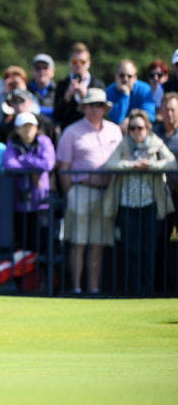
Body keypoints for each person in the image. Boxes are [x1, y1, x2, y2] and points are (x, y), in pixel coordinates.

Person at [57, 88, 123, 295]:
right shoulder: (72, 131)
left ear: (105, 108)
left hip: (107, 193)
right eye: (91, 105)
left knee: (98, 243)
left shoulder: (115, 131)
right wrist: (70, 194)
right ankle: (76, 288)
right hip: (81, 191)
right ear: (84, 107)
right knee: (78, 243)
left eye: (99, 105)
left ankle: (93, 289)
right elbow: (64, 168)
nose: (95, 109)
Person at [104, 109, 176, 295]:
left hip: (151, 204)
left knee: (149, 250)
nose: (136, 131)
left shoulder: (155, 143)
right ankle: (133, 290)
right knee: (131, 251)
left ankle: (148, 290)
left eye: (140, 128)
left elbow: (172, 163)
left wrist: (151, 166)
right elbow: (110, 164)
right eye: (132, 128)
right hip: (128, 205)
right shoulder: (124, 145)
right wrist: (131, 165)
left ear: (147, 128)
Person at [2, 112, 56, 252]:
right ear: (17, 129)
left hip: (41, 202)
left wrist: (24, 160)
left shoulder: (44, 141)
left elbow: (48, 164)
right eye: (23, 126)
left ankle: (41, 273)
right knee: (24, 246)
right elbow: (9, 164)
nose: (27, 130)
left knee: (42, 245)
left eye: (30, 126)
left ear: (37, 128)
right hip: (20, 203)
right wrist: (33, 166)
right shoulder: (12, 143)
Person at [153, 92, 178, 293]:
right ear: (160, 112)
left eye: (173, 109)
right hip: (161, 197)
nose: (169, 114)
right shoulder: (155, 134)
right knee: (160, 245)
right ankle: (162, 287)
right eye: (166, 110)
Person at [54, 42, 105, 130]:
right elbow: (57, 116)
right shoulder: (62, 84)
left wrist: (87, 97)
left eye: (82, 61)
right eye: (75, 61)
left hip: (91, 131)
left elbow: (102, 113)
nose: (78, 64)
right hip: (68, 132)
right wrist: (67, 96)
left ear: (89, 63)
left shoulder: (98, 84)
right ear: (70, 62)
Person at [106, 59, 156, 128]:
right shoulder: (109, 91)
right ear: (116, 76)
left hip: (139, 129)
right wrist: (125, 95)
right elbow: (116, 119)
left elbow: (150, 115)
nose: (125, 79)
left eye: (129, 76)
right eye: (122, 75)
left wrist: (131, 121)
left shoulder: (145, 90)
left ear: (135, 77)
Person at [29, 54, 58, 118]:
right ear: (32, 71)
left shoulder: (60, 90)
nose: (41, 71)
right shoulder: (26, 90)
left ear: (53, 71)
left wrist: (37, 110)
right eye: (38, 68)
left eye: (45, 67)